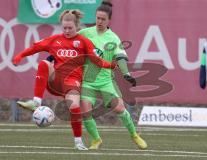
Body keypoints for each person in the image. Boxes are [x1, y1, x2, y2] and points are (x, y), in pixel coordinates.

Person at [12, 9, 115, 150]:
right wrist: (19, 56)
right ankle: (36, 102)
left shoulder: (83, 42)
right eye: (64, 27)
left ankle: (78, 142)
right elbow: (34, 48)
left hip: (72, 82)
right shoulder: (55, 39)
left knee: (74, 107)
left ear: (77, 26)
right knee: (44, 63)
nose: (67, 30)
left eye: (70, 28)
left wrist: (111, 65)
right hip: (56, 80)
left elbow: (96, 60)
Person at [79, 1, 147, 150]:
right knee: (85, 110)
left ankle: (135, 135)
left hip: (105, 81)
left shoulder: (114, 38)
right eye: (98, 18)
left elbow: (121, 58)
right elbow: (67, 43)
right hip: (88, 81)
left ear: (109, 20)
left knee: (120, 109)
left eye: (103, 19)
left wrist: (126, 74)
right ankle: (96, 140)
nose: (99, 21)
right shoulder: (85, 33)